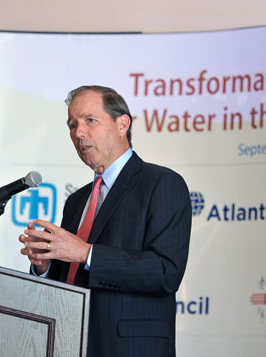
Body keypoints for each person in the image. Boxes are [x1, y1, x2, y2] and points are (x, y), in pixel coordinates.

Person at [19, 85, 192, 357]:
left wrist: (86, 252)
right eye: (72, 124)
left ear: (122, 124)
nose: (78, 133)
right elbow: (71, 280)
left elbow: (165, 272)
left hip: (130, 347)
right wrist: (44, 267)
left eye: (90, 121)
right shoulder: (77, 201)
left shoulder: (161, 184)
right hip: (70, 341)